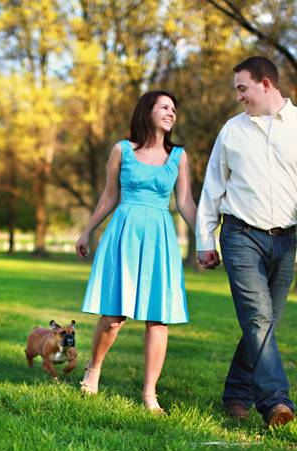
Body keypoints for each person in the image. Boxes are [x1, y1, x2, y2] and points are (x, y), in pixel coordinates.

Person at [196, 56, 297, 426]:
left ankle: (235, 394)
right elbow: (213, 188)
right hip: (240, 235)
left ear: (265, 84)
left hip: (285, 241)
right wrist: (204, 238)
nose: (239, 97)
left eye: (242, 88)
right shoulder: (232, 131)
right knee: (259, 319)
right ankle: (276, 401)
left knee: (264, 322)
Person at [75, 90, 197, 414]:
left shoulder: (179, 156)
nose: (171, 113)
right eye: (164, 107)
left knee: (159, 319)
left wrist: (206, 239)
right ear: (147, 111)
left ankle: (149, 393)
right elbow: (108, 196)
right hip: (125, 232)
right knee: (114, 317)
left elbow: (185, 202)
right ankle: (94, 368)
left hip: (160, 237)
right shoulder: (122, 150)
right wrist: (88, 230)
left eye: (174, 108)